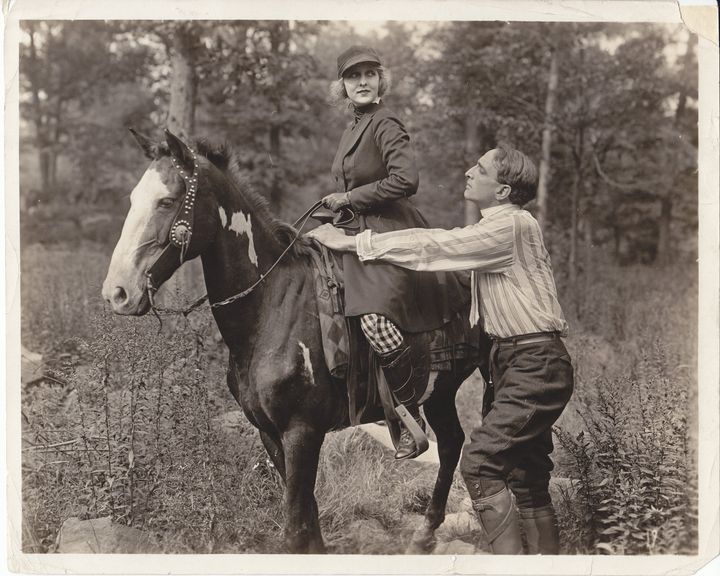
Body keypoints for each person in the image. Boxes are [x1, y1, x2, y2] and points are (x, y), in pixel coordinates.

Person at [308, 143, 574, 555]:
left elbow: (436, 246)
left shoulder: (510, 227)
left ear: (502, 191)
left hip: (533, 362)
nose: (469, 170)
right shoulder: (505, 227)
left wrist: (355, 244)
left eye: (480, 168)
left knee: (481, 463)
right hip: (515, 361)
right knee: (526, 475)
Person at [321, 45, 464, 460]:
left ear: (381, 80)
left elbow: (406, 179)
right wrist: (339, 204)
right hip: (355, 226)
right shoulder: (353, 127)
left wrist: (350, 196)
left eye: (369, 74)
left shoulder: (385, 121)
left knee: (375, 320)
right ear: (343, 86)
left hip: (389, 231)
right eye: (353, 77)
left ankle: (407, 414)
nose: (362, 82)